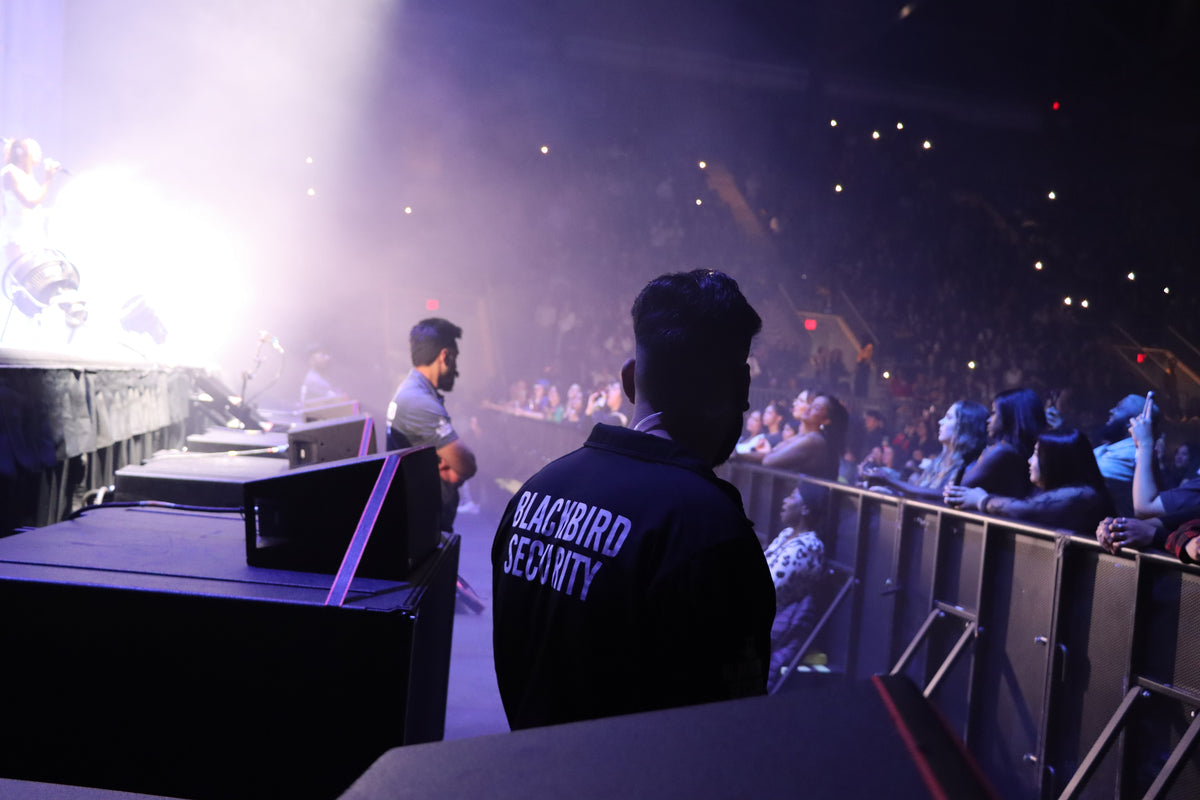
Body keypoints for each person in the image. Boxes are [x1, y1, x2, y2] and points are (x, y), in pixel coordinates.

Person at [491, 269, 775, 730]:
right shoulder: (711, 532)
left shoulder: (535, 493)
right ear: (742, 388)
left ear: (628, 379)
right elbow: (728, 730)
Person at [386, 318, 477, 533]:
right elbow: (466, 465)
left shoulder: (412, 390)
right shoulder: (418, 401)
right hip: (424, 521)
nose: (456, 371)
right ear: (445, 356)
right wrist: (449, 465)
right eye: (455, 359)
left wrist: (446, 464)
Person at [944, 428, 1113, 534]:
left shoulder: (1083, 494)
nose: (1030, 460)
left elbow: (1025, 510)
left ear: (1056, 462)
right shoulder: (1061, 490)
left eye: (1037, 454)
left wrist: (981, 500)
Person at [764, 482, 826, 693]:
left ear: (805, 509)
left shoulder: (808, 546)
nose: (785, 501)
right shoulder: (787, 535)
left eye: (792, 497)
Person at [862, 401, 988, 502]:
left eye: (949, 418)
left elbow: (941, 495)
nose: (940, 422)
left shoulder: (971, 466)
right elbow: (919, 489)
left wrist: (890, 481)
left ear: (965, 425)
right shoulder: (940, 460)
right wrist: (891, 491)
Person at [951, 387, 1045, 501]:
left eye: (994, 413)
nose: (989, 420)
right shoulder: (1021, 450)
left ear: (1009, 416)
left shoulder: (1001, 450)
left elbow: (955, 491)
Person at [1092, 393, 1160, 516]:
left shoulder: (1132, 455)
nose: (1111, 410)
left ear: (1134, 422)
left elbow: (1083, 473)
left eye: (1120, 408)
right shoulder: (1114, 448)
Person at [1, 138, 61, 265]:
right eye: (35, 150)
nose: (40, 154)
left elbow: (34, 207)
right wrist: (48, 179)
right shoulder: (10, 172)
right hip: (16, 237)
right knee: (21, 272)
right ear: (22, 152)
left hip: (32, 233)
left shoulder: (26, 175)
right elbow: (30, 203)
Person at [760, 393, 848, 479]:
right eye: (811, 404)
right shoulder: (811, 437)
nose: (808, 408)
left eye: (816, 408)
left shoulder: (814, 440)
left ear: (826, 421)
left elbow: (768, 461)